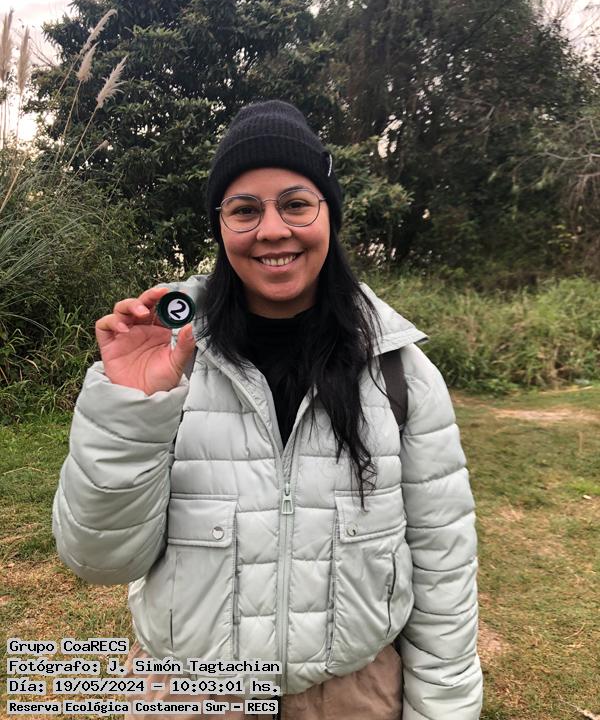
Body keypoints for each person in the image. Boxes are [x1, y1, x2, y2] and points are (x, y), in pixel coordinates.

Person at [52, 100, 483, 720]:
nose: (273, 229)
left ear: (329, 215)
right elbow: (98, 559)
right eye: (245, 209)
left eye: (297, 203)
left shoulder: (401, 374)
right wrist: (133, 407)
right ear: (221, 227)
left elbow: (444, 568)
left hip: (354, 698)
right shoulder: (168, 364)